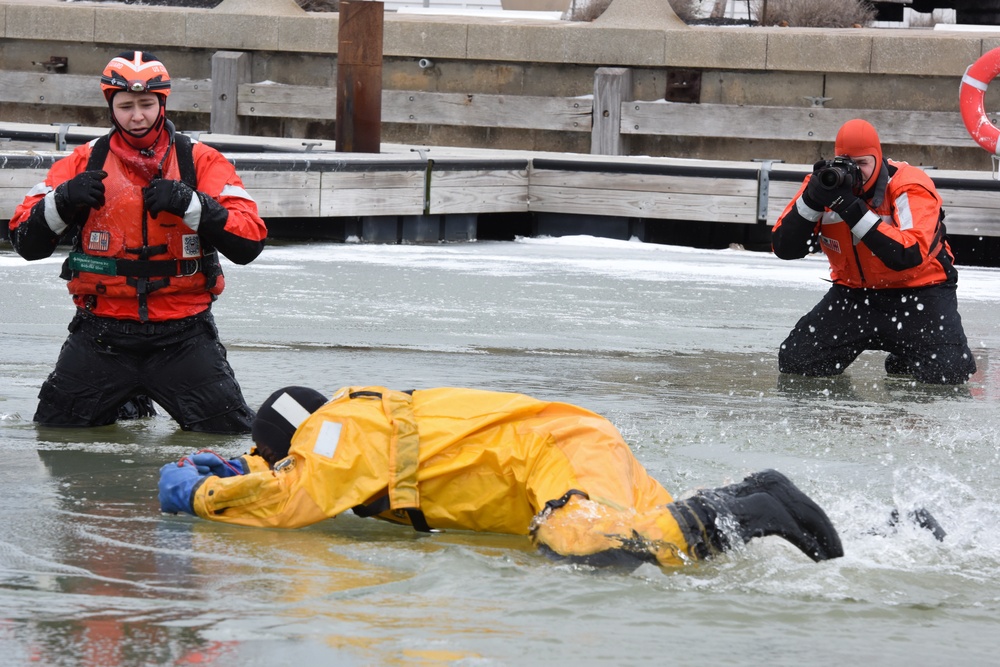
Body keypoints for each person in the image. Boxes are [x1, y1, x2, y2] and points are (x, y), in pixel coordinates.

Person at [158, 385, 844, 568]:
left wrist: (202, 495)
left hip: (547, 456)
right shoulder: (356, 424)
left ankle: (760, 502)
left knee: (584, 547)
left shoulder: (337, 431)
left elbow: (289, 498)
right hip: (569, 441)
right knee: (664, 542)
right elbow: (290, 474)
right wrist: (246, 465)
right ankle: (859, 526)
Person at [8, 51, 267, 433]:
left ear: (162, 103)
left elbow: (250, 241)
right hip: (100, 335)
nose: (137, 116)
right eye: (126, 106)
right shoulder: (81, 163)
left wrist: (189, 203)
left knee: (229, 435)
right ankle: (129, 402)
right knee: (54, 433)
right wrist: (62, 200)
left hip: (183, 335)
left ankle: (131, 401)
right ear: (111, 107)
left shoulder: (202, 161)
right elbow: (24, 241)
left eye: (146, 104)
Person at [771, 118, 976, 385]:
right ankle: (905, 348)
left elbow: (908, 254)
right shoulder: (824, 185)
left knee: (950, 373)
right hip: (855, 296)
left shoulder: (909, 183)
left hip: (919, 294)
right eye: (846, 163)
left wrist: (850, 207)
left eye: (862, 163)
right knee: (798, 361)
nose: (854, 172)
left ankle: (905, 354)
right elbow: (785, 248)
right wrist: (811, 200)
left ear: (878, 159)